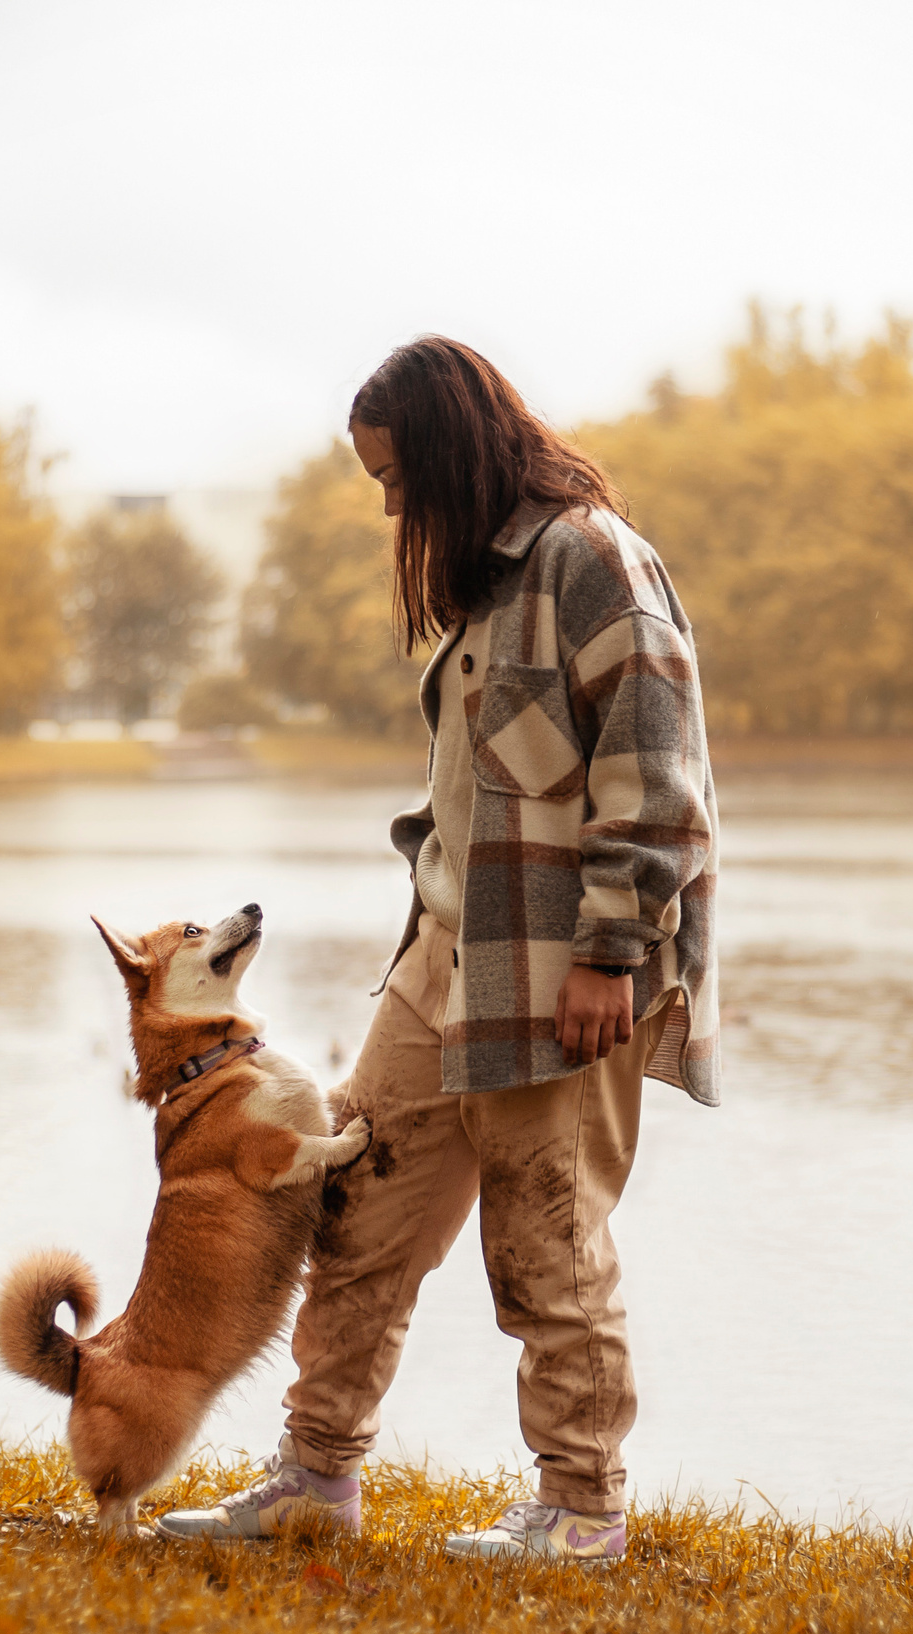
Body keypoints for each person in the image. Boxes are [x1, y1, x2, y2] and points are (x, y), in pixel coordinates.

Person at [157, 337, 720, 1564]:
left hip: (563, 974)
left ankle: (581, 1508)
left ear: (454, 454)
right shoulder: (486, 583)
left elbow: (658, 781)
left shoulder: (592, 562)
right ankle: (315, 1475)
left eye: (397, 477)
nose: (390, 507)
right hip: (443, 961)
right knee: (355, 1216)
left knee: (545, 1243)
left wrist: (611, 956)